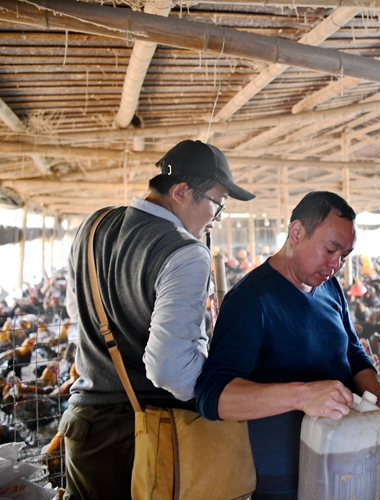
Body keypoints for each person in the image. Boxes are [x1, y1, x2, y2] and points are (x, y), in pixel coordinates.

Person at [61, 140, 255, 499]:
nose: (218, 218)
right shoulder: (185, 253)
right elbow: (170, 370)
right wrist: (220, 390)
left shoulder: (94, 224)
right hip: (144, 438)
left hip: (84, 428)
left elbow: (76, 315)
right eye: (218, 203)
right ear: (181, 192)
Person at [195, 191, 380, 500]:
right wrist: (302, 395)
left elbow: (353, 353)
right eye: (330, 249)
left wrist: (379, 396)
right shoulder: (251, 300)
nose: (336, 264)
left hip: (347, 457)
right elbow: (212, 396)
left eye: (345, 256)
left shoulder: (330, 288)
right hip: (285, 478)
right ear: (297, 232)